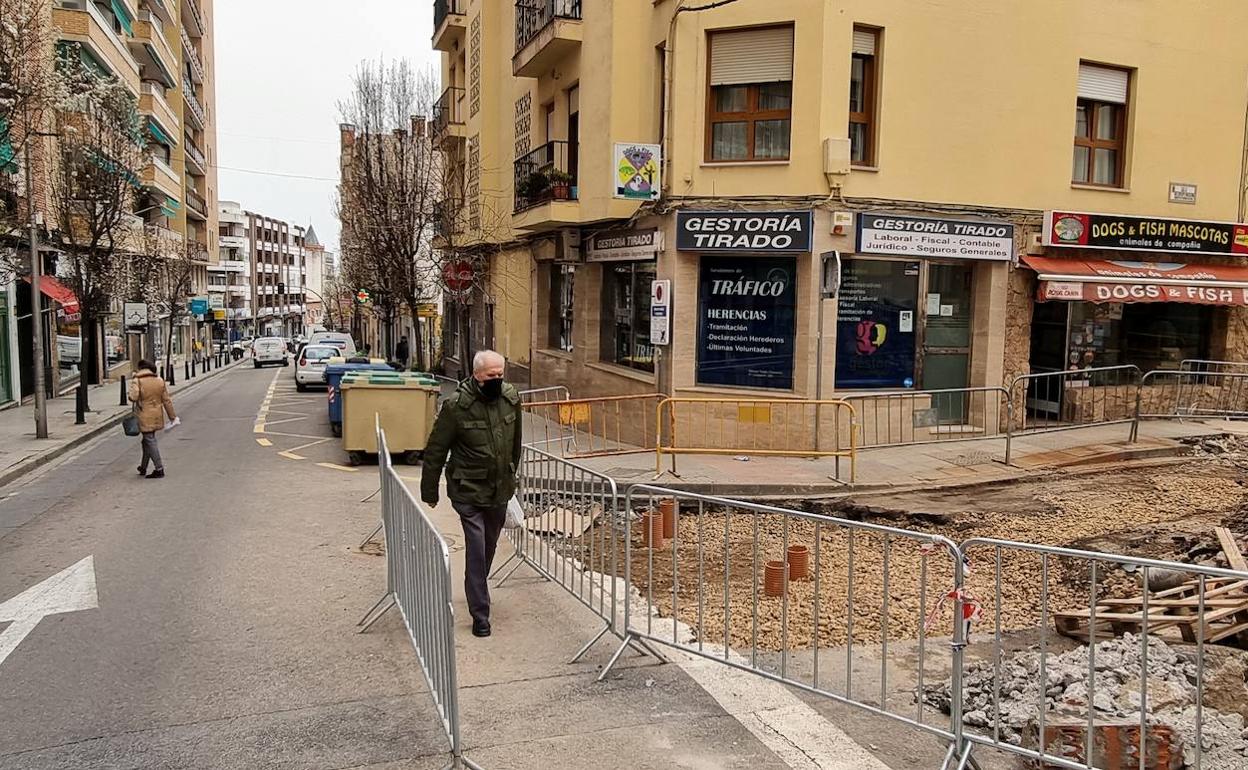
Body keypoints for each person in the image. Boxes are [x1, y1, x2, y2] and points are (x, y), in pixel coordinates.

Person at [421, 350, 521, 638]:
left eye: (501, 374)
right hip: (468, 490)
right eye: (492, 375)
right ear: (477, 375)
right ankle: (481, 615)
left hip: (499, 490)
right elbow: (436, 450)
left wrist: (512, 473)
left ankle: (477, 585)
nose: (497, 380)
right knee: (476, 549)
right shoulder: (457, 407)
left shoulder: (510, 399)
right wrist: (430, 491)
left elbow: (516, 442)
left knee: (489, 547)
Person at [129, 359, 177, 479]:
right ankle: (143, 467)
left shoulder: (137, 380)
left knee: (149, 440)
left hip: (144, 414)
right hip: (157, 414)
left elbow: (133, 397)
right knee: (146, 440)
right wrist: (172, 417)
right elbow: (166, 400)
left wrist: (131, 388)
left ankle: (159, 468)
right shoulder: (159, 380)